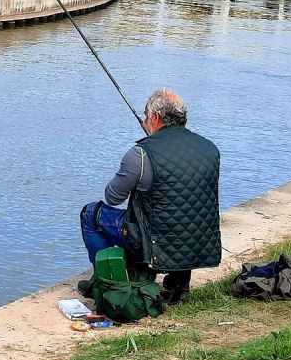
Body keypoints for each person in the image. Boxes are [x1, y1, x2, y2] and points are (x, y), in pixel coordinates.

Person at [85, 89, 222, 306]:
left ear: (155, 118)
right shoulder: (209, 148)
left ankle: (112, 286)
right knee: (183, 211)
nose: (146, 120)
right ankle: (178, 283)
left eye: (147, 115)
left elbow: (112, 197)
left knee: (91, 214)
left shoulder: (140, 154)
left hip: (154, 243)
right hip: (198, 243)